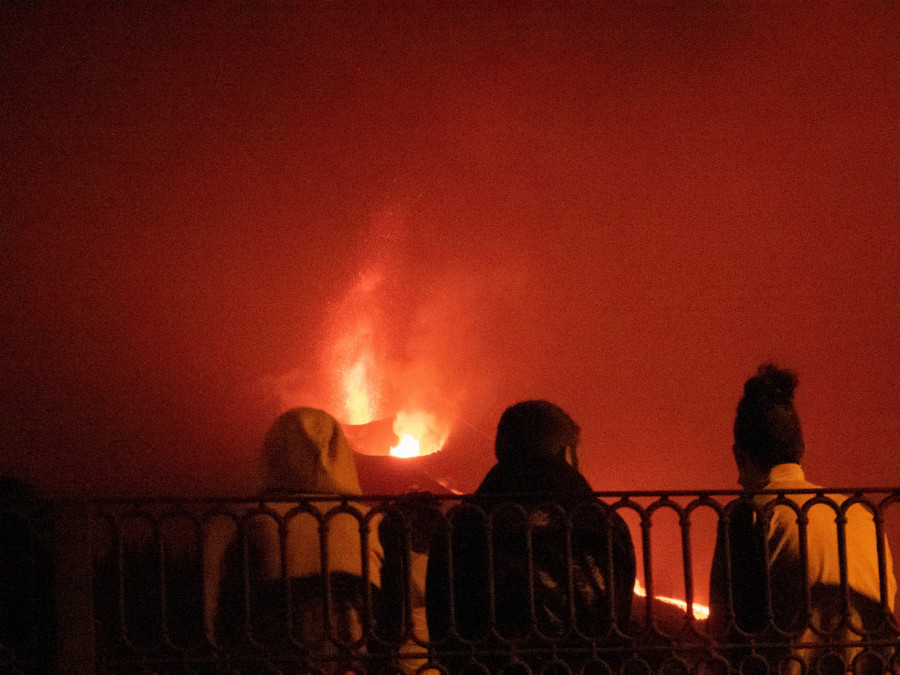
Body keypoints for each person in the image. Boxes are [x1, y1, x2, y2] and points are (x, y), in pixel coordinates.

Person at [708, 364, 897, 674]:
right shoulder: (860, 515)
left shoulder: (748, 516)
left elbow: (723, 633)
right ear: (801, 450)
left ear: (739, 457)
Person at [426, 400, 636, 673]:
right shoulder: (604, 525)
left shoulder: (462, 526)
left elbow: (442, 625)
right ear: (566, 453)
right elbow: (617, 621)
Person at [203, 408, 384, 671]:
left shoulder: (250, 518)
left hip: (278, 636)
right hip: (349, 633)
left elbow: (214, 586)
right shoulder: (364, 519)